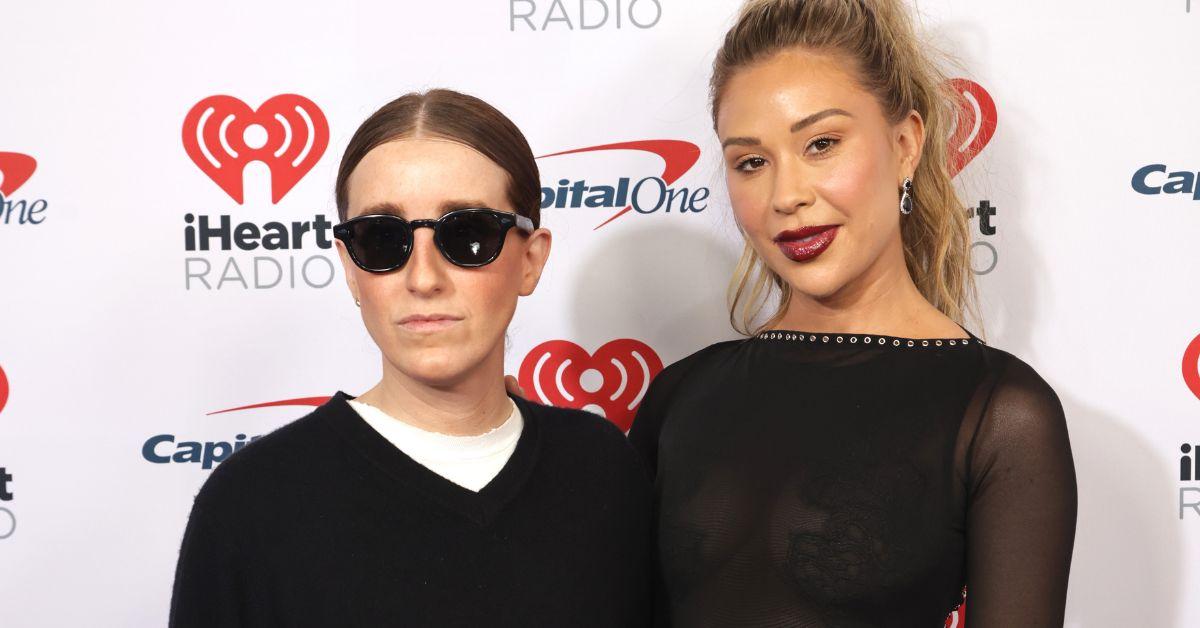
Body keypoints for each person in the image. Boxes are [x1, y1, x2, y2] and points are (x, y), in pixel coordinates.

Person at [625, 1, 1078, 626]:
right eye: (751, 161)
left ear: (906, 144)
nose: (787, 196)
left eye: (821, 144)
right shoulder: (679, 395)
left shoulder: (1000, 415)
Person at [169, 89, 652, 627]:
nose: (423, 278)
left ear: (530, 260)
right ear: (351, 269)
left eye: (468, 235)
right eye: (382, 239)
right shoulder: (250, 505)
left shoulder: (603, 469)